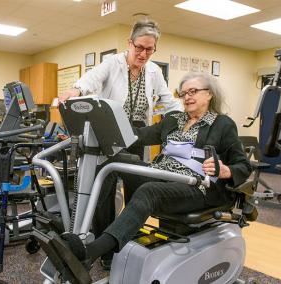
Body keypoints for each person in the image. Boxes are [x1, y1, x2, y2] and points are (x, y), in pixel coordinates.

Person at [45, 72, 252, 279]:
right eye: (184, 93)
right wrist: (99, 131)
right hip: (162, 175)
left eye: (193, 91)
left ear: (209, 95)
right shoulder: (174, 120)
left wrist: (225, 170)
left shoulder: (222, 124)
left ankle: (90, 254)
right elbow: (137, 136)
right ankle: (91, 238)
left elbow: (242, 165)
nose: (187, 96)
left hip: (197, 187)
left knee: (149, 191)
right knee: (111, 163)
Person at [59, 18, 182, 159]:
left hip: (138, 133)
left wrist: (183, 118)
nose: (143, 54)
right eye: (139, 47)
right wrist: (77, 89)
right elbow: (92, 77)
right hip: (112, 127)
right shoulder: (113, 63)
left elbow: (169, 101)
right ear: (130, 43)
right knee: (107, 173)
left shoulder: (154, 71)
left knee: (134, 174)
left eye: (149, 49)